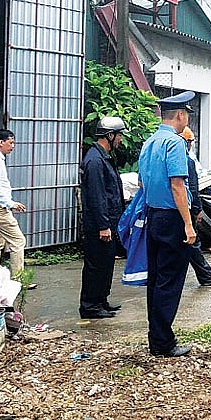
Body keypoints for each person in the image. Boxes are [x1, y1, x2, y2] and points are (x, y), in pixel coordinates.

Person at [138, 91, 197, 358]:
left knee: (156, 280)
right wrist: (188, 223)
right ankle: (164, 342)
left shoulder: (149, 142)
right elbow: (178, 185)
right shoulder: (174, 143)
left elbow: (141, 183)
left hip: (153, 216)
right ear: (181, 115)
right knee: (170, 281)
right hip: (172, 218)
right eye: (187, 116)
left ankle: (156, 337)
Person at [78, 116, 126, 319]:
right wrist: (103, 225)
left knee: (105, 265)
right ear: (110, 135)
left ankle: (100, 301)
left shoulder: (103, 157)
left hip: (108, 222)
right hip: (99, 225)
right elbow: (97, 196)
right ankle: (90, 306)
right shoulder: (96, 161)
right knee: (96, 265)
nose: (121, 140)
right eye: (119, 135)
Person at [0, 129, 30, 281]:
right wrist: (10, 203)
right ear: (1, 142)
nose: (13, 146)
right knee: (18, 241)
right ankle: (18, 279)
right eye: (11, 142)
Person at [180, 126, 211, 288]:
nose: (192, 144)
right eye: (190, 141)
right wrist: (197, 210)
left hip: (166, 210)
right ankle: (206, 276)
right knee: (193, 243)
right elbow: (193, 188)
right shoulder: (186, 161)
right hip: (185, 210)